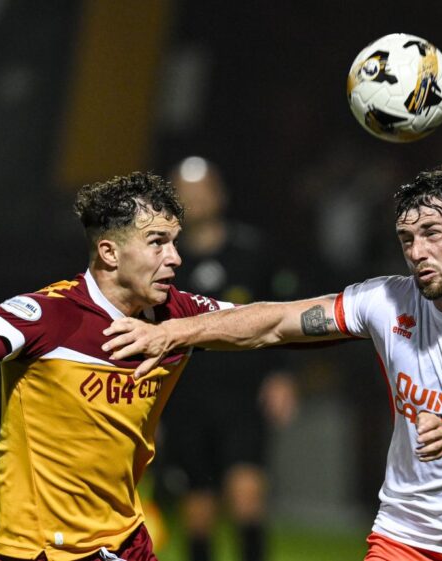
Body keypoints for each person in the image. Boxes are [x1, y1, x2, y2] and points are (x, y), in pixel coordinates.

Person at [103, 163, 442, 561]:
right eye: (406, 238)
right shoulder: (386, 300)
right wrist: (171, 332)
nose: (417, 251)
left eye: (432, 233)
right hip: (407, 534)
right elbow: (274, 322)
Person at [0, 172, 233, 561]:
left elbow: (268, 323)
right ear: (110, 252)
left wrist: (306, 316)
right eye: (158, 243)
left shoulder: (174, 314)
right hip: (41, 550)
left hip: (124, 541)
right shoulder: (45, 315)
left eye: (174, 242)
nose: (175, 257)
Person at [160, 156, 296, 561]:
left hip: (242, 398)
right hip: (185, 400)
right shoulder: (162, 262)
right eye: (185, 194)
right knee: (197, 512)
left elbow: (283, 317)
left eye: (202, 192)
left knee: (247, 498)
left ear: (219, 195)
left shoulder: (252, 252)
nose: (195, 201)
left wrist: (283, 376)